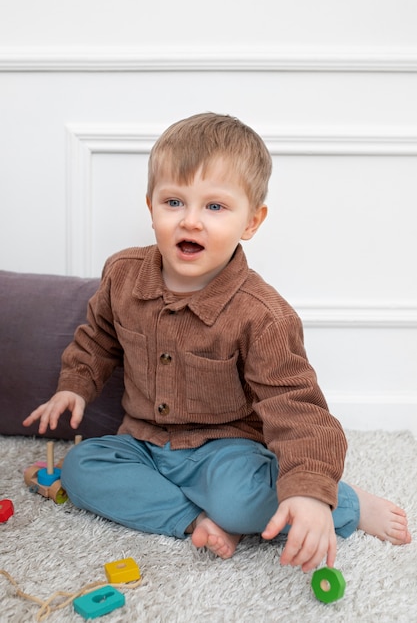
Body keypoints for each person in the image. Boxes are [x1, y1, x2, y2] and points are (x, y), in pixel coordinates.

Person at [23, 112, 411, 571]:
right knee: (82, 468)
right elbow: (98, 339)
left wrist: (308, 489)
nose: (191, 221)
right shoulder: (122, 275)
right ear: (150, 207)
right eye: (173, 202)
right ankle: (193, 519)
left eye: (215, 207)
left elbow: (296, 407)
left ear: (252, 221)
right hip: (143, 443)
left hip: (225, 449)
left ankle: (342, 503)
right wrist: (75, 385)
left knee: (241, 501)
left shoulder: (261, 314)